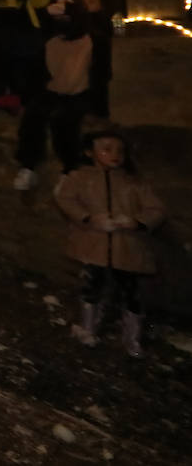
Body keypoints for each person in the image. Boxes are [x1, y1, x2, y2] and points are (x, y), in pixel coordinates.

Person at [54, 128, 164, 357]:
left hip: (127, 247)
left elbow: (156, 208)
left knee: (130, 291)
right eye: (106, 149)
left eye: (120, 150)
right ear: (89, 153)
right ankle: (88, 328)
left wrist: (136, 222)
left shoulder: (133, 183)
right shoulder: (79, 178)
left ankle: (132, 339)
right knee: (92, 285)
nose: (115, 154)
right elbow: (65, 199)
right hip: (94, 244)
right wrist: (88, 217)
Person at [13, 0, 92, 190]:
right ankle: (28, 167)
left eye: (64, 18)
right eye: (56, 19)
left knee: (65, 122)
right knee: (32, 117)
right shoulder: (50, 42)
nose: (60, 22)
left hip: (79, 93)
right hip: (52, 92)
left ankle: (70, 171)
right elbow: (39, 72)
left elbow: (100, 73)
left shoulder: (91, 41)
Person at [80, 0, 114, 118]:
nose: (88, 5)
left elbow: (105, 37)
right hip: (85, 66)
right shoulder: (82, 20)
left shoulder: (103, 19)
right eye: (86, 2)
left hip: (100, 65)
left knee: (100, 94)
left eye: (92, 1)